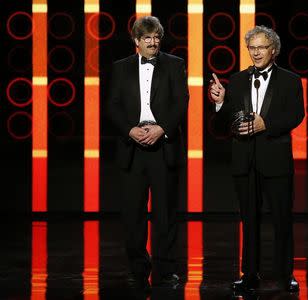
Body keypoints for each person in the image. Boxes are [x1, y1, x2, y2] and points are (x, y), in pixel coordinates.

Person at [209, 25, 305, 293]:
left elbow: (296, 115)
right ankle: (250, 274)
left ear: (273, 50)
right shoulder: (237, 80)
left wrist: (266, 125)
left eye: (261, 47)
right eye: (252, 48)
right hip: (244, 160)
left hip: (275, 160)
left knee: (282, 219)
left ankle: (286, 275)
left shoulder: (290, 80)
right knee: (249, 220)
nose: (256, 53)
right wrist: (219, 102)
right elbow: (224, 120)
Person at [106, 16, 189, 292]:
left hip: (163, 146)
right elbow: (113, 105)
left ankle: (166, 271)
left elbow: (181, 102)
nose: (153, 42)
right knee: (133, 214)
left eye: (156, 37)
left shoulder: (175, 65)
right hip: (132, 147)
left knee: (166, 213)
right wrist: (130, 130)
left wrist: (161, 128)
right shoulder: (121, 68)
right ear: (136, 41)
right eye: (147, 38)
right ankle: (137, 268)